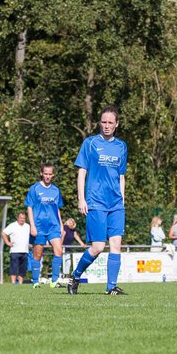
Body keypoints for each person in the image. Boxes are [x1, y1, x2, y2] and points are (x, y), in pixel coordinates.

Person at [68, 106, 129, 295]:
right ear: (99, 123)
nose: (107, 125)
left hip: (116, 204)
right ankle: (75, 276)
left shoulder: (121, 146)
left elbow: (121, 176)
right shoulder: (90, 143)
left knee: (116, 244)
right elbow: (82, 172)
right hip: (96, 202)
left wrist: (122, 200)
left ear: (117, 124)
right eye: (104, 122)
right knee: (97, 247)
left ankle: (111, 287)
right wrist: (81, 199)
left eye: (111, 122)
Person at [27, 163, 67, 288]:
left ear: (53, 175)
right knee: (37, 254)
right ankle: (35, 281)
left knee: (59, 251)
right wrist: (32, 226)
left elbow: (57, 209)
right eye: (45, 173)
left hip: (54, 226)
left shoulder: (56, 190)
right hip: (39, 226)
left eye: (50, 174)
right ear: (41, 173)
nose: (48, 176)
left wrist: (61, 225)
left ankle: (54, 281)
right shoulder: (34, 188)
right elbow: (29, 207)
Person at [2, 212, 32, 285]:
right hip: (15, 250)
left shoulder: (28, 226)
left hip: (25, 251)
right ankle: (13, 283)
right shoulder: (12, 225)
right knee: (14, 267)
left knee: (23, 268)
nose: (22, 219)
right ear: (17, 218)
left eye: (24, 218)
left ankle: (20, 283)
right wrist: (7, 242)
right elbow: (3, 233)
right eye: (21, 218)